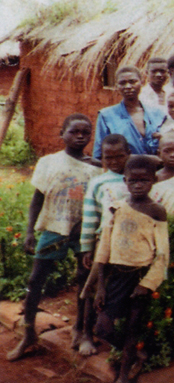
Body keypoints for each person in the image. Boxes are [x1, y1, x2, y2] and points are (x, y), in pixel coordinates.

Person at [7, 115, 102, 362]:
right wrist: (30, 231)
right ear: (62, 134)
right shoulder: (49, 162)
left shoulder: (97, 168)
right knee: (36, 279)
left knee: (85, 280)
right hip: (54, 228)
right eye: (74, 131)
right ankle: (29, 334)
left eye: (86, 132)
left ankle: (82, 330)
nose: (80, 136)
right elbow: (37, 199)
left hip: (84, 232)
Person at [91, 156, 168, 383]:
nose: (138, 185)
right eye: (133, 180)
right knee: (102, 328)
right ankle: (135, 354)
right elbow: (104, 248)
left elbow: (163, 254)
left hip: (140, 276)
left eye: (144, 180)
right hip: (116, 276)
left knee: (133, 327)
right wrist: (101, 286)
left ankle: (124, 376)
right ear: (125, 181)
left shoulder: (157, 211)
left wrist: (147, 284)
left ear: (154, 180)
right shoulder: (117, 208)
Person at [77, 134, 130, 356]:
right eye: (109, 157)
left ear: (129, 154)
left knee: (122, 288)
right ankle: (86, 335)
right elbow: (90, 216)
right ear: (102, 157)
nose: (114, 161)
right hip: (104, 244)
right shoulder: (98, 182)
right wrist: (87, 247)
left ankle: (117, 334)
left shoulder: (137, 177)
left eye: (120, 156)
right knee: (93, 288)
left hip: (130, 245)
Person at [93, 66, 166, 159]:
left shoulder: (158, 114)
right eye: (122, 83)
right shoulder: (107, 116)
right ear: (117, 86)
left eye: (132, 82)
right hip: (122, 168)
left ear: (142, 82)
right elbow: (99, 154)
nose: (128, 86)